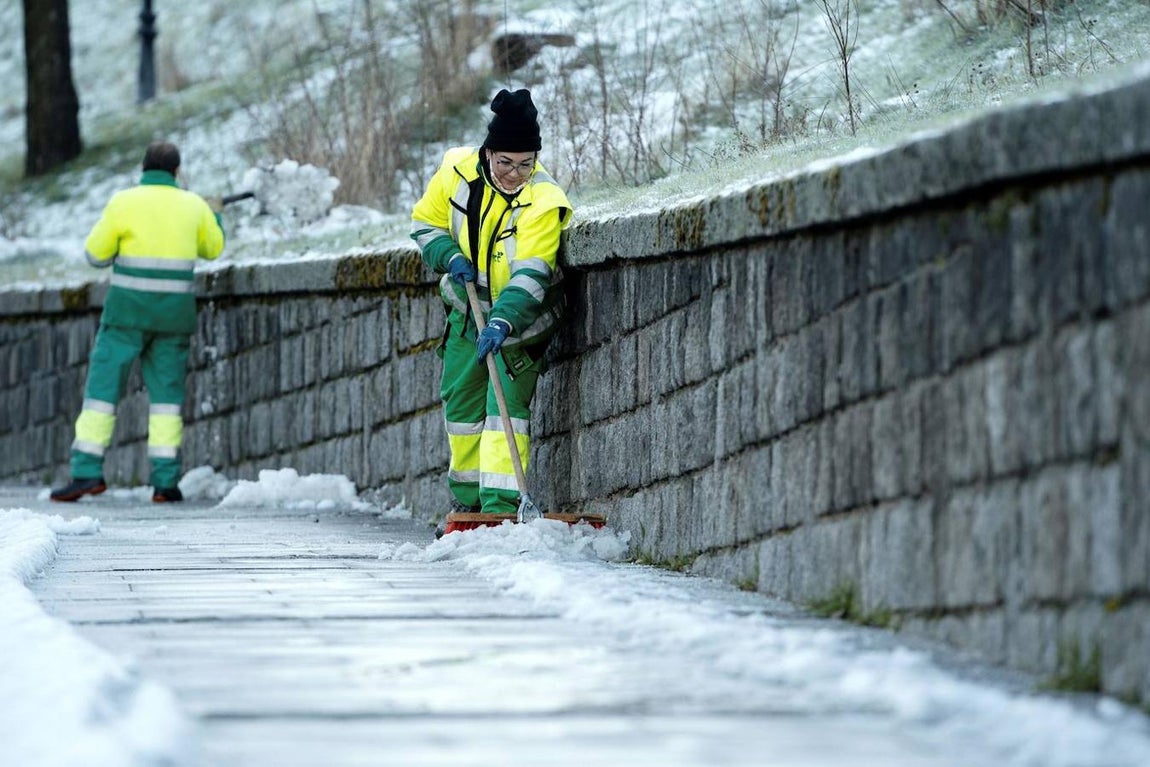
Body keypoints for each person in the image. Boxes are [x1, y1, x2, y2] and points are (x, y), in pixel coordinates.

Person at [410, 88, 572, 524]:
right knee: (461, 405)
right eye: (505, 163)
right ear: (488, 152)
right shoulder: (456, 170)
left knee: (505, 415)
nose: (515, 174)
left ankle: (501, 511)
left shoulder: (544, 200)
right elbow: (424, 224)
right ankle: (469, 504)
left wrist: (502, 322)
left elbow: (532, 273)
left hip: (520, 321)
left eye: (525, 164)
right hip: (467, 310)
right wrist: (447, 254)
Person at [50, 141, 225, 503]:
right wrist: (216, 214)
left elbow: (95, 256)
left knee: (101, 393)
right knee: (166, 401)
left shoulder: (123, 202)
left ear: (143, 169)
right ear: (177, 172)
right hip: (173, 319)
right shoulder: (193, 205)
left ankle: (86, 473)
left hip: (126, 315)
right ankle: (165, 483)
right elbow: (214, 248)